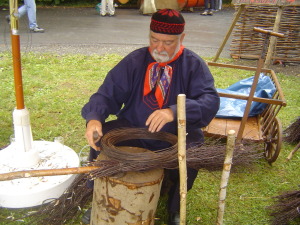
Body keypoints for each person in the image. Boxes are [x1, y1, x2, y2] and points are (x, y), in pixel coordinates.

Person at [81, 8, 220, 225]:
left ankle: (174, 206)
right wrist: (94, 118)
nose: (159, 47)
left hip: (176, 133)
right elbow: (107, 92)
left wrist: (173, 111)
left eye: (168, 42)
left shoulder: (193, 65)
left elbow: (210, 101)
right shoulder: (135, 61)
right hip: (134, 125)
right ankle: (96, 194)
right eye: (154, 39)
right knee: (102, 137)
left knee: (192, 153)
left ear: (181, 38)